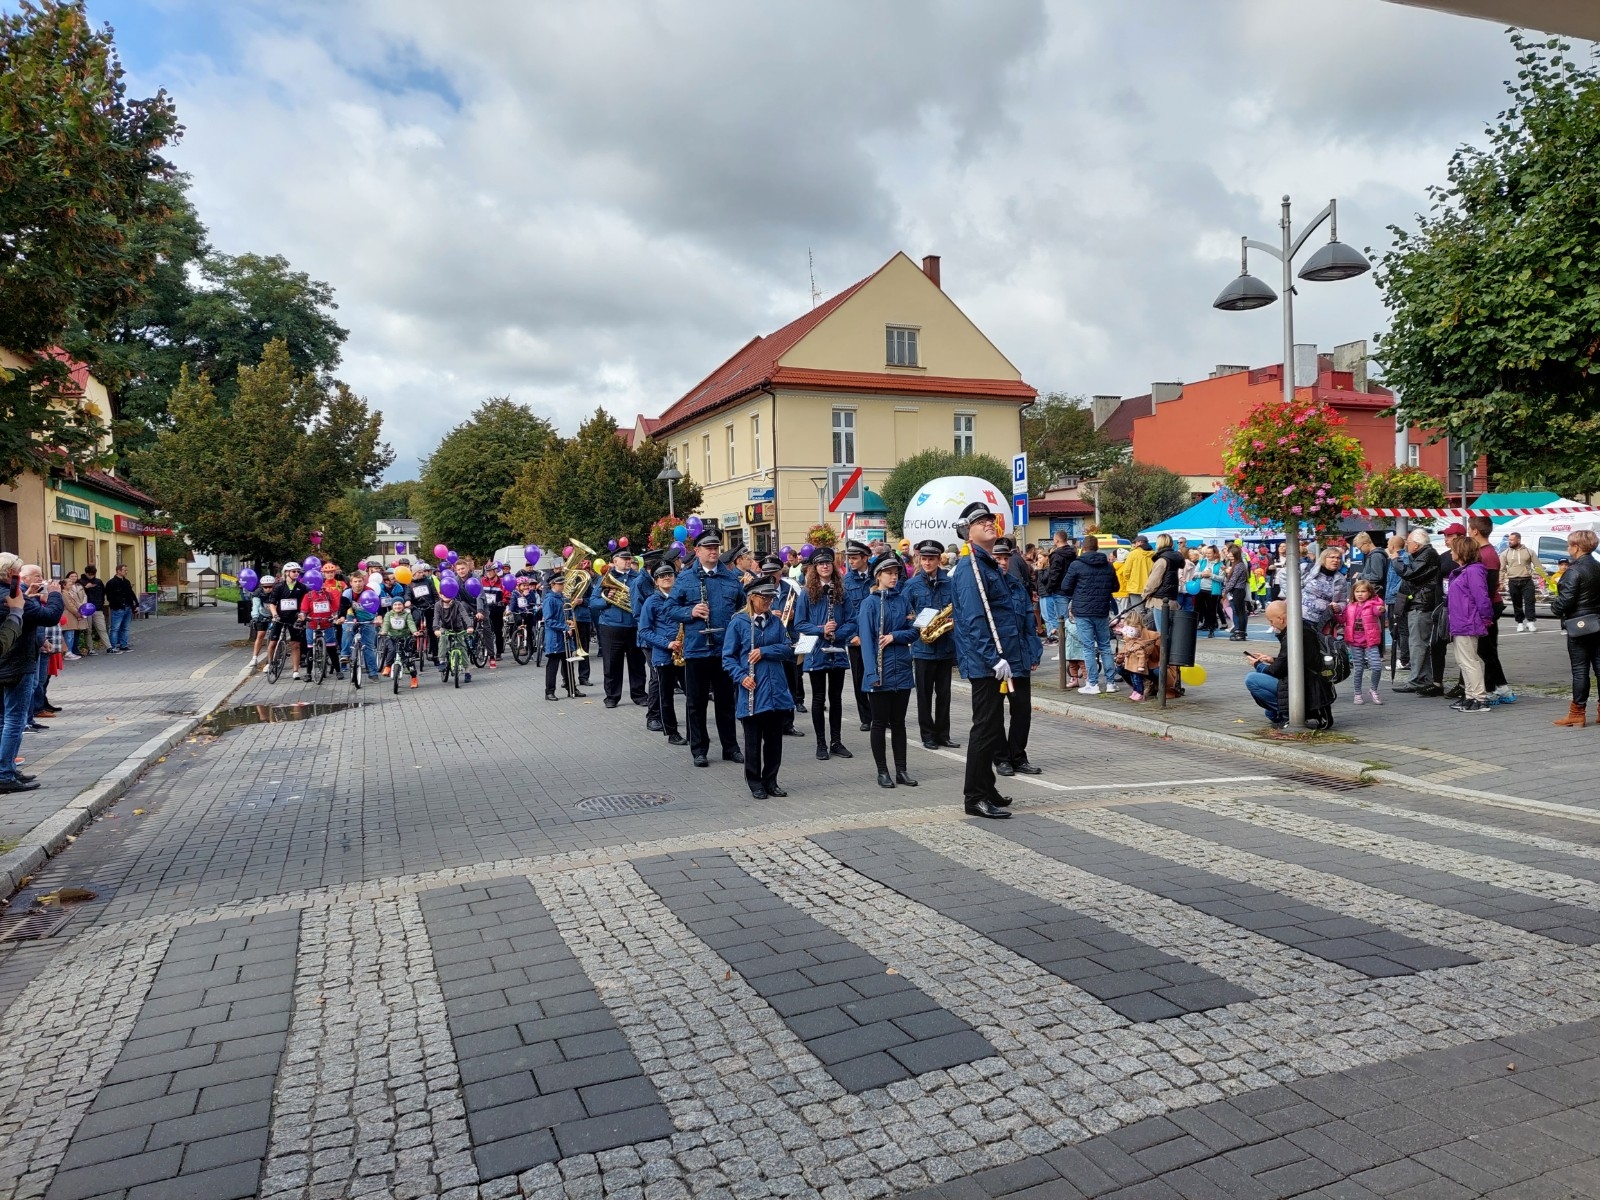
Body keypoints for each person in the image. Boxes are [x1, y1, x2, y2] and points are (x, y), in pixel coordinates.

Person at [949, 503, 1030, 819]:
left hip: (1000, 658)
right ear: (967, 531)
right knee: (984, 728)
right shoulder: (971, 570)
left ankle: (987, 787)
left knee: (994, 726)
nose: (988, 523)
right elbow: (973, 619)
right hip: (987, 663)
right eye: (980, 521)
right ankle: (974, 797)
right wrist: (993, 658)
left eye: (990, 519)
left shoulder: (988, 566)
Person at [666, 530, 744, 768]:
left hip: (724, 650)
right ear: (697, 551)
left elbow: (742, 609)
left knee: (726, 703)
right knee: (696, 703)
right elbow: (669, 609)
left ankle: (730, 747)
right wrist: (690, 612)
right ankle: (699, 749)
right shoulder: (686, 578)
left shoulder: (730, 578)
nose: (713, 551)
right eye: (708, 548)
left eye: (716, 548)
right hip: (697, 649)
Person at [721, 575, 796, 799]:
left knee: (774, 741)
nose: (768, 602)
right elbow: (728, 658)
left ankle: (771, 780)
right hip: (752, 689)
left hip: (775, 690)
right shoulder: (738, 622)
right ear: (752, 598)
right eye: (764, 598)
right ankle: (755, 782)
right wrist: (741, 676)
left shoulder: (775, 622)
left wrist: (764, 652)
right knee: (752, 742)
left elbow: (787, 649)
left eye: (771, 598)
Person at [0, 558, 62, 793]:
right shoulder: (11, 596)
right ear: (13, 573)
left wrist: (29, 596)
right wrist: (55, 594)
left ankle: (6, 770)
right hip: (16, 664)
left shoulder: (12, 594)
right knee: (14, 720)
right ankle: (5, 774)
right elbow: (49, 616)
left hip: (6, 663)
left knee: (3, 720)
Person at [858, 552, 918, 789]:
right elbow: (867, 642)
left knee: (899, 722)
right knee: (879, 723)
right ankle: (882, 771)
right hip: (880, 672)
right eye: (889, 573)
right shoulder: (869, 603)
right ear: (878, 575)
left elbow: (914, 630)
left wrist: (895, 636)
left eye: (896, 573)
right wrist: (871, 674)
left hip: (901, 669)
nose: (894, 577)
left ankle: (901, 770)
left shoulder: (903, 600)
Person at [795, 547, 856, 761]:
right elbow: (799, 623)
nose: (824, 566)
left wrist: (838, 632)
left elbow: (852, 621)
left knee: (836, 698)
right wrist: (821, 629)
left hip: (837, 649)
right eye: (820, 563)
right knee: (819, 699)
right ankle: (821, 743)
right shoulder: (806, 593)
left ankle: (836, 742)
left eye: (828, 562)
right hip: (817, 651)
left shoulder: (842, 591)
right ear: (814, 567)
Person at [990, 537, 1042, 777]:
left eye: (1004, 558)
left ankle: (1018, 755)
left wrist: (1034, 651)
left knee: (1022, 710)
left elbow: (1029, 623)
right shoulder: (986, 587)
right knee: (995, 711)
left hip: (1019, 657)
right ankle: (1001, 758)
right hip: (997, 659)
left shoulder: (1016, 585)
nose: (1002, 562)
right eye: (997, 558)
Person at [1244, 600, 1335, 729]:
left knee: (1252, 679)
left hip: (1304, 684)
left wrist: (1257, 665)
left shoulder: (1294, 634)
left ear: (1281, 619)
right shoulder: (1301, 628)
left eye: (1271, 621)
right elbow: (1290, 661)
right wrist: (1272, 659)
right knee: (1270, 713)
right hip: (1306, 680)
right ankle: (1283, 714)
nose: (1271, 625)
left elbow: (1278, 671)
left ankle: (1290, 714)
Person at [903, 539, 958, 750]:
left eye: (931, 559)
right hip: (923, 648)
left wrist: (951, 622)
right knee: (924, 696)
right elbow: (905, 613)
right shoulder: (911, 585)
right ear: (920, 559)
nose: (927, 563)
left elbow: (957, 609)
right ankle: (927, 735)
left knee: (944, 695)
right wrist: (917, 620)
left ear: (938, 560)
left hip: (944, 646)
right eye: (924, 559)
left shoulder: (949, 583)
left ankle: (943, 734)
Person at [1551, 529, 1600, 727]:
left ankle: (1577, 712)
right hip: (1598, 620)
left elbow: (1565, 602)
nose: (1568, 548)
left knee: (1580, 670)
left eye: (1569, 545)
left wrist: (1555, 606)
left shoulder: (1573, 570)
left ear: (1577, 547)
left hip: (1579, 624)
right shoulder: (1597, 566)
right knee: (1599, 667)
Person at [589, 547, 646, 708]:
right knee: (612, 663)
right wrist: (606, 600)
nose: (629, 561)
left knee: (637, 663)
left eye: (630, 559)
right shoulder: (605, 578)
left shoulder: (638, 577)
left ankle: (639, 694)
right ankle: (612, 696)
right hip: (611, 626)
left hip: (634, 625)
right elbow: (593, 603)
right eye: (625, 559)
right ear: (615, 561)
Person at [1061, 535, 1119, 693]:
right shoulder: (1108, 566)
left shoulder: (1076, 565)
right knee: (1105, 646)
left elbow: (1065, 586)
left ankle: (1092, 684)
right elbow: (1116, 587)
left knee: (1088, 648)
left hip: (1083, 610)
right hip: (1101, 610)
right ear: (1097, 547)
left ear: (1083, 548)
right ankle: (1110, 683)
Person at [636, 561, 685, 743]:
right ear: (655, 581)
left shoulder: (682, 597)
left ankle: (696, 732)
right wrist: (667, 643)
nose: (666, 578)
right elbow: (644, 631)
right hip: (665, 655)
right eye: (661, 576)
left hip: (686, 653)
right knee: (666, 697)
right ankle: (672, 732)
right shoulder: (651, 601)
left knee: (693, 695)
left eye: (669, 575)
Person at [1391, 529, 1444, 696]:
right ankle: (1424, 679)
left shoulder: (1427, 555)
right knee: (1420, 644)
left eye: (1409, 543)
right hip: (1421, 602)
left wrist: (1395, 561)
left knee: (1417, 644)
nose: (1407, 545)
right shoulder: (1427, 554)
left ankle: (1415, 679)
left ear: (1417, 544)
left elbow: (1411, 574)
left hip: (1421, 604)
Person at [1467, 515, 1513, 704]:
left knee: (1485, 651)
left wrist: (1483, 612)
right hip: (1488, 605)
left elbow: (1488, 586)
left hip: (1487, 606)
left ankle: (1493, 689)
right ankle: (1502, 688)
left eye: (1470, 529)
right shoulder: (1487, 552)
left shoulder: (1486, 554)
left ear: (1476, 531)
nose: (1469, 532)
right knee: (1488, 650)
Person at [1445, 535, 1493, 713]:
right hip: (1461, 620)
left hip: (1467, 620)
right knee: (1464, 661)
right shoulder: (1466, 571)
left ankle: (1479, 697)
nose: (1451, 552)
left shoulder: (1473, 571)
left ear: (1462, 552)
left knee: (1469, 661)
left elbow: (1481, 596)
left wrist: (1486, 617)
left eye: (1453, 549)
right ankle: (1471, 695)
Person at [841, 540, 873, 732]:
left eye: (854, 558)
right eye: (849, 558)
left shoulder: (877, 577)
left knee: (878, 674)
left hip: (876, 637)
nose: (850, 562)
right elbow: (844, 612)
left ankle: (880, 714)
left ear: (865, 558)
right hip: (856, 638)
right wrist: (851, 635)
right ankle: (866, 717)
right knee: (859, 676)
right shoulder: (846, 581)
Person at [1342, 578, 1386, 705]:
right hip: (1355, 642)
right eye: (1357, 591)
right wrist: (1337, 612)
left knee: (1377, 667)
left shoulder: (1372, 605)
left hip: (1370, 642)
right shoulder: (1350, 606)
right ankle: (1357, 693)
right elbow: (1342, 620)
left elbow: (1378, 610)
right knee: (1358, 669)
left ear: (1369, 593)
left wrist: (1381, 609)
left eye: (1363, 591)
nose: (1360, 594)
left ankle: (1373, 690)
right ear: (1353, 593)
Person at [268, 564, 309, 678]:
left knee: (295, 644)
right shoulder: (279, 586)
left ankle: (295, 670)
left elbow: (305, 603)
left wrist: (303, 614)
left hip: (294, 618)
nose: (296, 573)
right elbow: (272, 603)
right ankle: (270, 662)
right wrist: (275, 614)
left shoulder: (302, 587)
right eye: (294, 571)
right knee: (273, 642)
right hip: (280, 617)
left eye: (298, 571)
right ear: (286, 572)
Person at [542, 573, 579, 699]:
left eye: (563, 583)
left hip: (565, 637)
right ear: (553, 584)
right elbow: (549, 620)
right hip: (555, 638)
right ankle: (549, 691)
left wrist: (570, 621)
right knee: (553, 666)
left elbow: (567, 614)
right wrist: (565, 627)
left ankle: (572, 688)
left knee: (568, 663)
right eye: (560, 584)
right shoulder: (549, 599)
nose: (563, 586)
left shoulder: (564, 598)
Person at [1112, 610, 1161, 701]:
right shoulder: (1129, 637)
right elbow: (1126, 651)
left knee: (1157, 671)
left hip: (1151, 664)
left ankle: (1152, 685)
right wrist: (1120, 659)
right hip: (1136, 664)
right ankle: (1140, 687)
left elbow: (1158, 655)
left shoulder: (1153, 635)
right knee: (1121, 668)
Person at [1503, 531, 1546, 632]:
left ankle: (1530, 622)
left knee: (1530, 601)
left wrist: (1544, 577)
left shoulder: (1529, 552)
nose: (1510, 542)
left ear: (1518, 540)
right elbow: (1502, 568)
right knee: (1516, 603)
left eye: (1512, 540)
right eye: (1509, 540)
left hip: (1527, 580)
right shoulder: (1506, 553)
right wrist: (1500, 582)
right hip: (1513, 580)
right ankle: (1520, 623)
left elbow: (1538, 566)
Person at [1300, 547, 1349, 632]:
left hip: (1322, 622)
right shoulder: (1308, 568)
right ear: (1324, 558)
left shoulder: (1341, 579)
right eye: (1332, 557)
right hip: (1302, 618)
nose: (1336, 560)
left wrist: (1339, 607)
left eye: (1338, 558)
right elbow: (1285, 575)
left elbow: (1343, 601)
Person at [1039, 532, 1076, 644]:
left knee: (1061, 621)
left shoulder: (1056, 555)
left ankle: (1064, 650)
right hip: (1072, 589)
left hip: (1059, 591)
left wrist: (1049, 588)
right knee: (1072, 620)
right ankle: (1070, 649)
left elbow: (1054, 574)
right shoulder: (1073, 554)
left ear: (1056, 540)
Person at [433, 586, 474, 684]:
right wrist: (436, 629)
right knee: (442, 639)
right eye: (444, 594)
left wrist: (469, 626)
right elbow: (436, 618)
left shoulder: (457, 604)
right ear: (440, 595)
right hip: (445, 628)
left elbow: (465, 615)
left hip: (458, 628)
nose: (446, 596)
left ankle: (467, 671)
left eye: (448, 594)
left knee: (462, 647)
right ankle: (442, 661)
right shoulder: (438, 605)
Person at [1384, 535, 1410, 671]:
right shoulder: (1399, 557)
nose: (1387, 545)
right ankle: (1404, 659)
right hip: (1393, 598)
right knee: (1397, 630)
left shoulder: (1402, 558)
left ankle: (1405, 659)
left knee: (1401, 629)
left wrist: (1394, 592)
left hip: (1397, 599)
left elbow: (1403, 577)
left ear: (1393, 546)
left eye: (1389, 543)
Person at [105, 563, 137, 652]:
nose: (126, 572)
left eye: (127, 570)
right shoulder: (111, 583)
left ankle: (124, 645)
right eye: (124, 570)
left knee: (125, 627)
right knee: (115, 628)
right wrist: (117, 604)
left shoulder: (126, 582)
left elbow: (131, 594)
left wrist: (135, 605)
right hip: (118, 608)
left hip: (128, 607)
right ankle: (113, 646)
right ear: (118, 571)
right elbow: (109, 596)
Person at [1223, 544, 1250, 641]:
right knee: (1237, 612)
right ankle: (1239, 630)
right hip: (1236, 591)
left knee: (1240, 613)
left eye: (1232, 556)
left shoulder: (1239, 566)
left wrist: (1224, 591)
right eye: (1229, 555)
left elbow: (1233, 581)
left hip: (1238, 591)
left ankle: (1240, 632)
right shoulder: (1237, 565)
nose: (1230, 557)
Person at [79, 564, 108, 654]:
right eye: (90, 574)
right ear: (86, 573)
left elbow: (103, 593)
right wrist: (86, 587)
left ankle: (109, 647)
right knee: (88, 630)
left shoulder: (98, 582)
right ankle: (90, 649)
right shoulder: (80, 581)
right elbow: (79, 594)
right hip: (87, 609)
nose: (91, 576)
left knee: (102, 628)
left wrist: (101, 604)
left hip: (97, 608)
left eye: (93, 574)